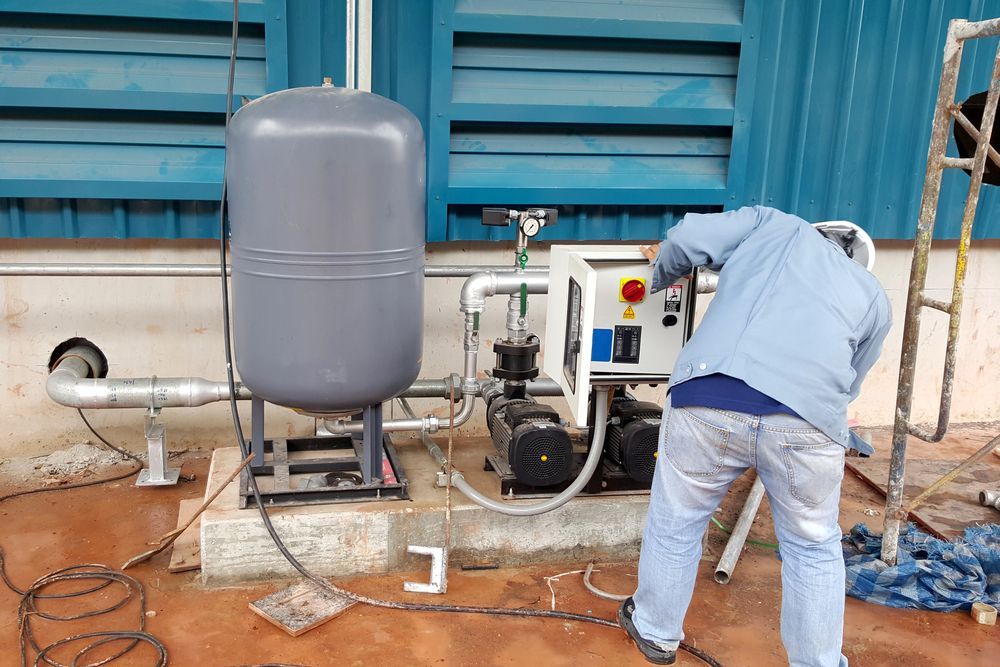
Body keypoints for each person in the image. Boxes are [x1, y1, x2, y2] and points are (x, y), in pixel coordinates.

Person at [619, 206, 891, 666]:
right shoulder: (874, 296)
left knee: (677, 521)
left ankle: (656, 632)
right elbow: (851, 380)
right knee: (813, 547)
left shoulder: (773, 224)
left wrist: (661, 272)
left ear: (819, 232)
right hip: (807, 423)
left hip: (709, 397)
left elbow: (685, 238)